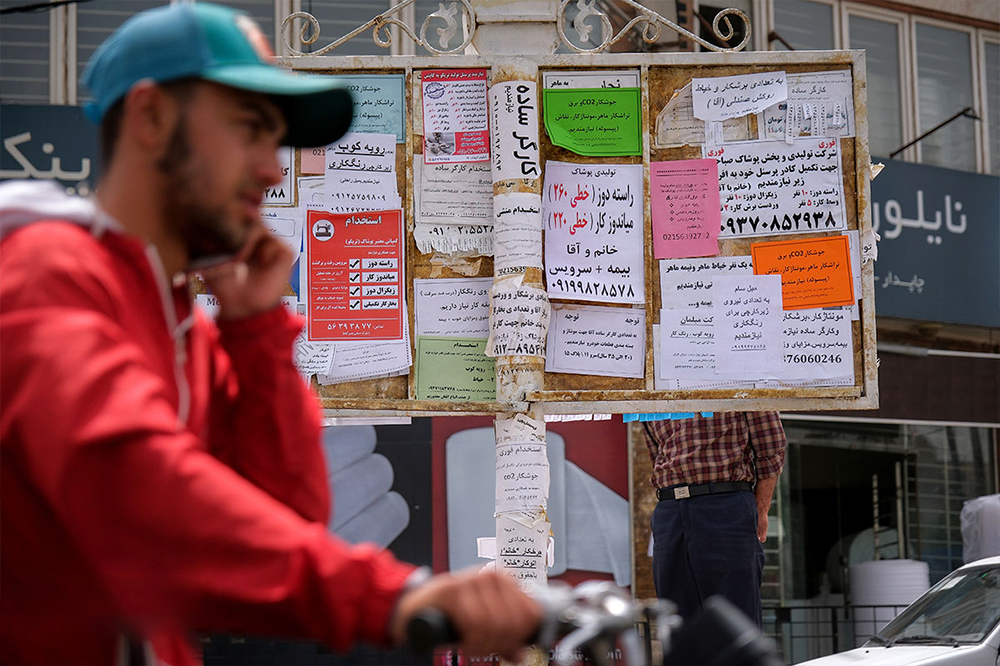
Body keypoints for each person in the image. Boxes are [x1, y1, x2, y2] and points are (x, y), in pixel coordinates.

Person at [0, 4, 541, 665]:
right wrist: (392, 599)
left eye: (277, 142)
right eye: (249, 131)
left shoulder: (180, 321)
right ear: (150, 118)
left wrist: (256, 332)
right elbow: (137, 494)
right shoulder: (48, 276)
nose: (273, 170)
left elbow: (290, 519)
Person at [642, 412, 786, 628]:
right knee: (676, 621)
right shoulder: (654, 388)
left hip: (725, 502)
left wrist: (761, 509)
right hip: (670, 508)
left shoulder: (738, 378)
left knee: (734, 621)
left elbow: (771, 446)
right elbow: (656, 453)